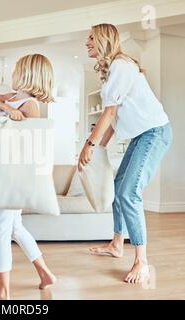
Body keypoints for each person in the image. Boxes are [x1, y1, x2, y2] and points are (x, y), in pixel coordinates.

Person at [78, 23, 172, 284]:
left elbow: (108, 113)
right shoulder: (113, 71)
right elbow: (113, 115)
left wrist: (89, 145)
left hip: (154, 132)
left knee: (129, 192)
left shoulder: (120, 65)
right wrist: (97, 150)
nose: (87, 43)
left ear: (103, 40)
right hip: (141, 134)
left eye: (91, 38)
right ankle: (117, 243)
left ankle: (142, 261)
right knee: (119, 185)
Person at [0, 54, 57, 300]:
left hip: (14, 177)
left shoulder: (30, 104)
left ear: (27, 75)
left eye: (16, 69)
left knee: (1, 229)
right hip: (5, 172)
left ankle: (3, 291)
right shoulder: (12, 99)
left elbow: (32, 147)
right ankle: (45, 275)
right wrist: (6, 108)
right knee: (15, 228)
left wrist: (15, 120)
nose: (12, 73)